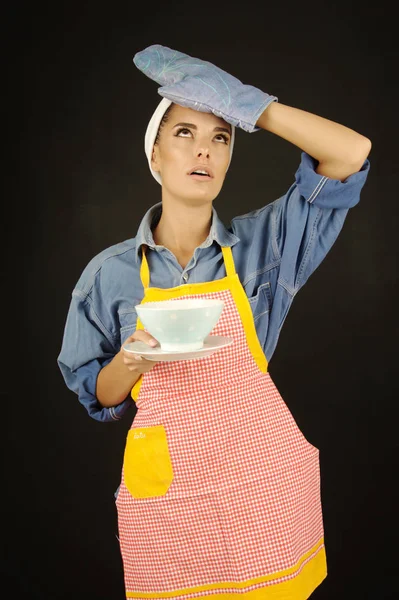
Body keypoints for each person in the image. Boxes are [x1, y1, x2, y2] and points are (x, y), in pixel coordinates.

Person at [57, 44, 371, 600]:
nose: (203, 150)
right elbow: (99, 396)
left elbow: (350, 153)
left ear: (229, 157)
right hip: (172, 499)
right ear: (154, 155)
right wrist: (131, 358)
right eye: (184, 133)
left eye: (220, 137)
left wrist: (249, 106)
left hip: (258, 488)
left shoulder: (264, 245)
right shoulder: (109, 275)